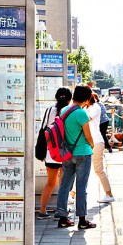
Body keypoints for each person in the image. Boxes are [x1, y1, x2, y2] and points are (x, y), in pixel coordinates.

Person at [53, 84, 96, 229]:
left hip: (67, 153)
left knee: (65, 185)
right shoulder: (81, 113)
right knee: (81, 186)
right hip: (82, 153)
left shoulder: (64, 110)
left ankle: (62, 218)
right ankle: (82, 221)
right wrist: (92, 145)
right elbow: (88, 136)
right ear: (86, 98)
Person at [37, 87, 72, 220]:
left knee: (50, 183)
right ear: (69, 99)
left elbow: (43, 129)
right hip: (65, 153)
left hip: (51, 152)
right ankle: (61, 211)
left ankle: (42, 211)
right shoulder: (69, 111)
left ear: (56, 97)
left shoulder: (49, 110)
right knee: (64, 183)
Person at [86, 93, 115, 203]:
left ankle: (109, 194)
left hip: (96, 142)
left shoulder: (95, 107)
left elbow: (86, 119)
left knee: (99, 170)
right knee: (80, 169)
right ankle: (73, 194)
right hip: (87, 142)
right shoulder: (86, 107)